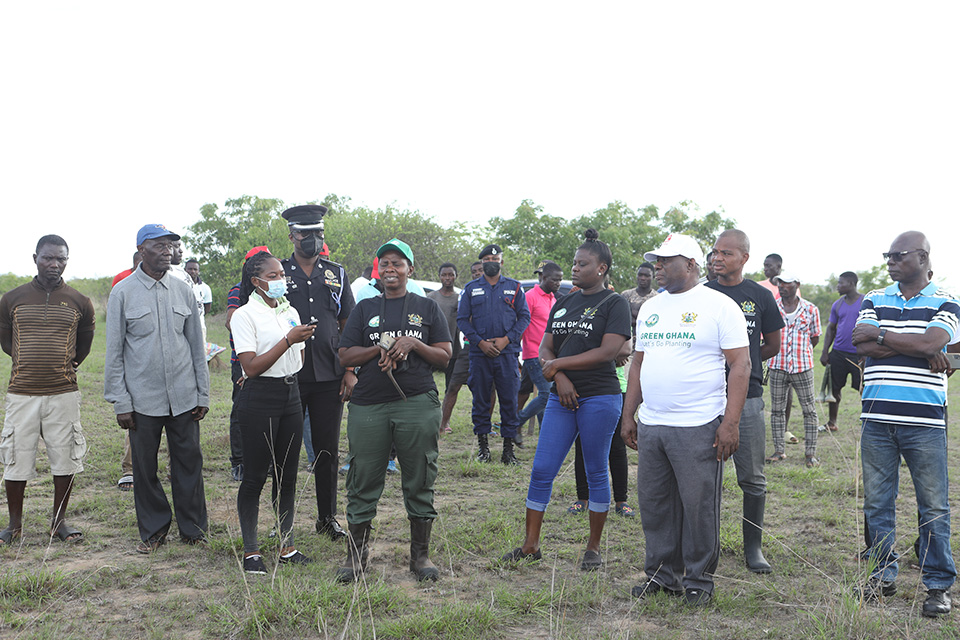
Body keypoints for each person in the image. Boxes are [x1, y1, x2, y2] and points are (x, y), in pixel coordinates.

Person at [623, 233, 750, 606]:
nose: (658, 267)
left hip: (699, 424)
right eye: (657, 261)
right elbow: (639, 364)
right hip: (653, 424)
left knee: (698, 507)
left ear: (691, 264)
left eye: (666, 260)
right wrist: (628, 414)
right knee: (655, 503)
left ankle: (698, 580)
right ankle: (663, 576)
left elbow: (741, 365)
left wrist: (730, 423)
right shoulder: (651, 307)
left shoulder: (719, 306)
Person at [500, 229, 630, 570]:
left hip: (599, 397)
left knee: (595, 469)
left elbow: (609, 351)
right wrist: (558, 375)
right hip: (562, 397)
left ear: (601, 268)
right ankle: (530, 545)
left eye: (582, 264)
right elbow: (546, 348)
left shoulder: (614, 303)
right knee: (542, 468)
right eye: (574, 263)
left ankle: (593, 548)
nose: (574, 268)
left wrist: (559, 365)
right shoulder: (564, 302)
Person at [852, 231, 957, 617]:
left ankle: (938, 585)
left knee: (933, 506)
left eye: (898, 255)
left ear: (923, 258)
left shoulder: (946, 300)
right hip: (876, 419)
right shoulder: (874, 297)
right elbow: (860, 344)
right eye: (887, 255)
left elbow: (933, 344)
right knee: (877, 503)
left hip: (924, 422)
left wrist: (883, 335)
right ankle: (881, 576)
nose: (890, 262)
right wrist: (919, 346)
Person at [336, 239, 452, 582]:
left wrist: (413, 343)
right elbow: (345, 355)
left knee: (419, 475)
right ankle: (356, 556)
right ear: (378, 270)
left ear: (409, 269)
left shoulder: (427, 307)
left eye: (397, 263)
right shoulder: (364, 308)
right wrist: (378, 349)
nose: (390, 269)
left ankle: (420, 557)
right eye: (384, 263)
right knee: (362, 476)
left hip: (416, 402)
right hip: (369, 404)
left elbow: (445, 356)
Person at [104, 224, 210, 553]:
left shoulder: (184, 289)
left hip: (184, 396)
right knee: (144, 468)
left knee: (189, 463)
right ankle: (154, 531)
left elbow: (196, 345)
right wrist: (121, 401)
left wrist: (203, 393)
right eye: (160, 245)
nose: (168, 251)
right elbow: (114, 352)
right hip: (141, 400)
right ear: (142, 250)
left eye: (171, 246)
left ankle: (193, 530)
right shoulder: (122, 292)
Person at [0, 235, 96, 547]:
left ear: (67, 261)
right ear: (35, 258)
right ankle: (14, 525)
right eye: (48, 258)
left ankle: (59, 522)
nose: (54, 264)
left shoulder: (80, 301)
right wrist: (29, 362)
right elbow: (7, 343)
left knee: (65, 458)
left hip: (63, 393)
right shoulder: (11, 299)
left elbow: (83, 346)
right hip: (21, 393)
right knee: (16, 458)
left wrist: (62, 364)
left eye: (61, 259)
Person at [230, 250, 315, 574]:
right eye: (273, 276)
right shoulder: (244, 315)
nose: (281, 280)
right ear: (256, 281)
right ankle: (251, 551)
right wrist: (287, 340)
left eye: (282, 275)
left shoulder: (290, 311)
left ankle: (286, 545)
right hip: (260, 398)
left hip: (290, 394)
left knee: (287, 475)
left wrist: (293, 344)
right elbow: (251, 367)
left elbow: (299, 357)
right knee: (255, 476)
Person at [706, 229, 784, 573]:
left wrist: (743, 364)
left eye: (726, 253)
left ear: (744, 258)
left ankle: (754, 548)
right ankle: (704, 546)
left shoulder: (760, 296)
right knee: (704, 478)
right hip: (705, 394)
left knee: (752, 477)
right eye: (715, 252)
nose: (717, 258)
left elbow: (772, 345)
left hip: (748, 396)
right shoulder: (702, 294)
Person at [279, 205, 356, 541]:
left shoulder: (337, 273)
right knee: (285, 452)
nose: (312, 239)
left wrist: (350, 369)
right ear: (292, 236)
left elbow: (348, 323)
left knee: (327, 452)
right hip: (288, 373)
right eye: (305, 233)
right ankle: (282, 522)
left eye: (318, 233)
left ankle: (327, 519)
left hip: (329, 375)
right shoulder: (278, 273)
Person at [457, 244, 530, 465]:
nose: (491, 262)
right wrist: (480, 343)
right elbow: (462, 320)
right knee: (480, 400)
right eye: (487, 259)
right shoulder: (470, 289)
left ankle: (508, 451)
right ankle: (483, 448)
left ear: (501, 262)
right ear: (482, 263)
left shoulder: (515, 287)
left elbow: (524, 317)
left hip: (507, 354)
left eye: (495, 259)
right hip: (480, 354)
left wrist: (507, 339)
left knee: (509, 400)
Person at [766, 271, 822, 467]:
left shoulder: (810, 309)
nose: (781, 286)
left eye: (786, 283)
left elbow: (815, 337)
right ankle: (779, 451)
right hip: (777, 365)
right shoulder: (772, 307)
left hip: (802, 366)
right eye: (779, 283)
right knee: (777, 410)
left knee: (809, 410)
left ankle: (810, 454)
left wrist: (800, 353)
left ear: (797, 284)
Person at [225, 245, 271, 482]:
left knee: (268, 411)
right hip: (243, 360)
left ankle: (265, 460)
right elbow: (231, 320)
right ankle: (239, 460)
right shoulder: (238, 290)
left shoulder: (273, 291)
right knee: (242, 410)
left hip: (270, 360)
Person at [517, 261, 562, 433]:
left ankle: (546, 431)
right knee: (546, 394)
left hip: (549, 355)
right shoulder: (530, 297)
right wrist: (515, 353)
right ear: (543, 278)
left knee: (545, 394)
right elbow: (521, 325)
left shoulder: (553, 299)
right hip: (534, 354)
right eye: (554, 280)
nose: (558, 283)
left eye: (560, 280)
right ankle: (516, 422)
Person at [819, 271, 864, 432]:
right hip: (838, 353)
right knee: (834, 389)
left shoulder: (865, 302)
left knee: (864, 389)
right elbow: (831, 329)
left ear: (851, 284)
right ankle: (832, 422)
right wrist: (825, 351)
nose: (838, 286)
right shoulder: (837, 304)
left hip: (859, 354)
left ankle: (869, 422)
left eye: (841, 283)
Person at [112, 252, 142, 491]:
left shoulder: (175, 281)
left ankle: (174, 468)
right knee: (136, 419)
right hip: (135, 365)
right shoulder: (122, 281)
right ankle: (130, 469)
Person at [427, 262, 461, 435]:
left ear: (456, 276)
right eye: (444, 275)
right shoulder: (431, 297)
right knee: (427, 384)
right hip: (431, 348)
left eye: (451, 274)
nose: (447, 278)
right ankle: (427, 417)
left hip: (453, 350)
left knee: (451, 387)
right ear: (439, 276)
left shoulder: (459, 298)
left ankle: (444, 421)